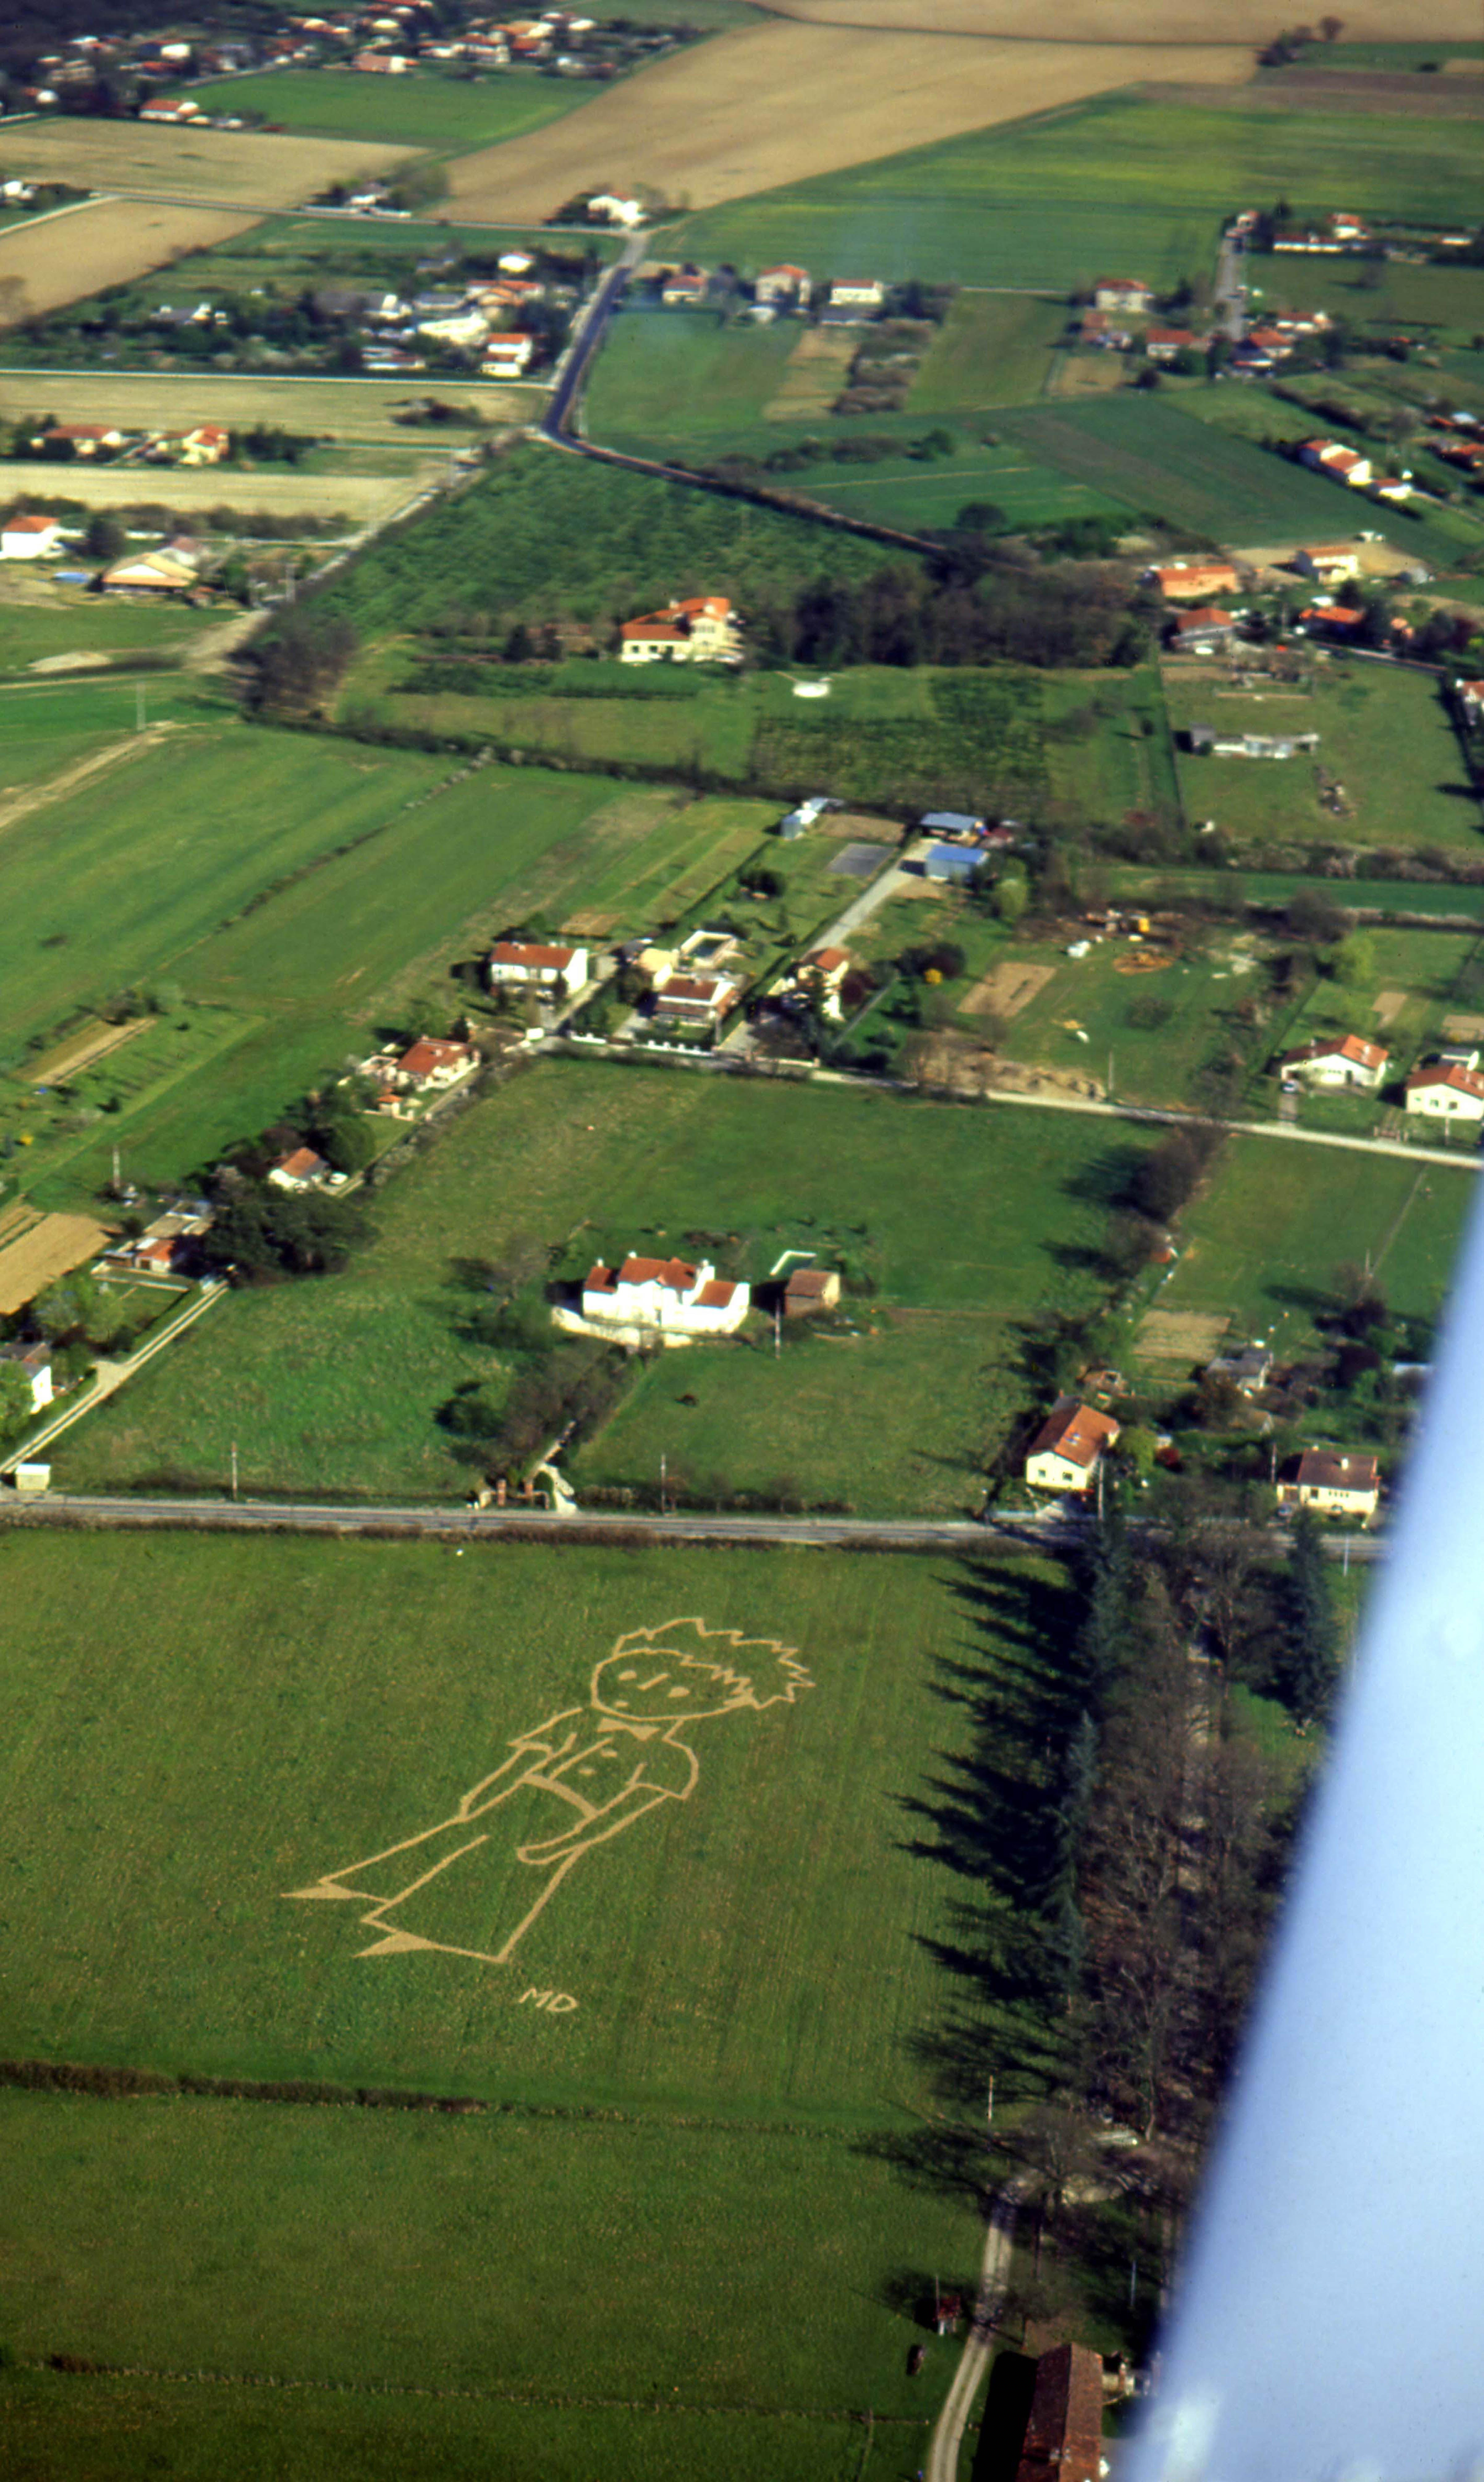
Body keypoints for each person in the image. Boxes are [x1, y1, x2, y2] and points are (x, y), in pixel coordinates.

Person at [285, 1617, 811, 1967]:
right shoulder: (581, 1719)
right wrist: (483, 1794)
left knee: (501, 1878)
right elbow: (529, 1757)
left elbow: (622, 1813)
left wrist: (563, 1845)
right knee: (446, 1843)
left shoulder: (668, 1760)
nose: (629, 1689)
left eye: (667, 1691)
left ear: (707, 1705)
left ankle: (417, 1936)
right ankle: (355, 1888)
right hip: (520, 1795)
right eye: (627, 1672)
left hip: (566, 1819)